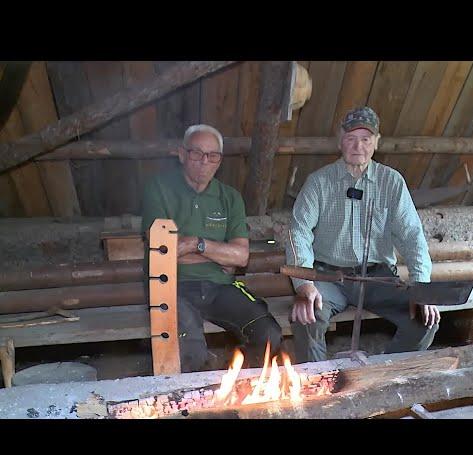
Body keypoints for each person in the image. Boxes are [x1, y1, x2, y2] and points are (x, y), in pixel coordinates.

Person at [285, 106, 440, 363]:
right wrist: (305, 284)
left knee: (426, 321)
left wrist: (421, 287)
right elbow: (297, 232)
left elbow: (412, 235)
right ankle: (320, 384)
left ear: (377, 142)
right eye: (350, 138)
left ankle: (382, 376)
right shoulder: (319, 182)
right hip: (330, 276)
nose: (358, 146)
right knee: (306, 318)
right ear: (340, 141)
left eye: (366, 139)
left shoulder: (391, 182)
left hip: (377, 278)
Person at [142, 124, 282, 372]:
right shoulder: (159, 189)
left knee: (268, 332)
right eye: (196, 153)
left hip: (221, 287)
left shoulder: (230, 197)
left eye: (212, 155)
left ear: (220, 161)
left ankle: (241, 392)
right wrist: (219, 255)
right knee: (190, 351)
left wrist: (195, 243)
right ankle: (188, 404)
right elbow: (161, 253)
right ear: (182, 154)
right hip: (173, 286)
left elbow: (240, 257)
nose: (204, 161)